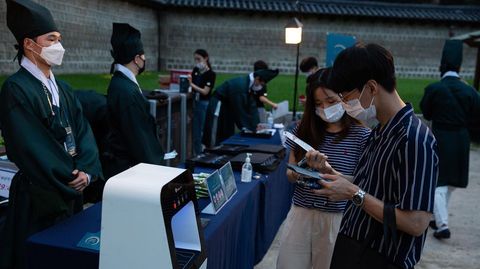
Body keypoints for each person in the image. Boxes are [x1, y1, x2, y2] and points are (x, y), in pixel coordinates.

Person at [306, 43, 438, 269]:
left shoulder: (415, 139)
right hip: (352, 246)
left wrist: (353, 193)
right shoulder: (379, 130)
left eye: (346, 97)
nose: (346, 106)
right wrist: (333, 175)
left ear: (371, 87)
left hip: (379, 257)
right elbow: (371, 187)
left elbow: (416, 222)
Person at [0, 1, 103, 268]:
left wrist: (87, 170)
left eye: (59, 39)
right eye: (52, 39)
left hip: (72, 189)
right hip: (39, 194)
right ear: (29, 44)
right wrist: (68, 177)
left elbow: (83, 131)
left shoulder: (64, 88)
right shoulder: (16, 89)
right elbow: (31, 146)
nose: (59, 46)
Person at [277, 68, 370, 269]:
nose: (325, 108)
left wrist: (328, 171)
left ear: (344, 97)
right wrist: (303, 167)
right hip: (301, 213)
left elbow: (362, 185)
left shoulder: (362, 136)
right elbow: (290, 174)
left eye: (331, 101)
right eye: (318, 104)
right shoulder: (302, 130)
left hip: (337, 219)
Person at [420, 40, 480, 239]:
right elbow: (476, 117)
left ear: (441, 66)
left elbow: (426, 114)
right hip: (462, 139)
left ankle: (442, 223)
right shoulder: (470, 91)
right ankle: (439, 219)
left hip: (441, 137)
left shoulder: (434, 88)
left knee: (438, 182)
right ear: (460, 67)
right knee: (449, 183)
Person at [102, 23, 164, 179]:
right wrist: (157, 170)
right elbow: (138, 138)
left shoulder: (123, 84)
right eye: (143, 55)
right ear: (136, 59)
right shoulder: (125, 91)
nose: (144, 59)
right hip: (128, 170)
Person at [203, 68, 279, 146]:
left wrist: (257, 124)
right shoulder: (241, 86)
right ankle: (211, 151)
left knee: (226, 132)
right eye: (262, 84)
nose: (261, 87)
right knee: (215, 133)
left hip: (227, 107)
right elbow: (240, 111)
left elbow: (252, 106)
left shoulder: (249, 85)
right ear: (257, 79)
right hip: (218, 105)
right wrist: (252, 128)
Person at [188, 49, 216, 156]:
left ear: (206, 58)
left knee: (202, 130)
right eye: (195, 59)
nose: (197, 62)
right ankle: (197, 153)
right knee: (196, 132)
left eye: (199, 59)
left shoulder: (211, 74)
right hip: (195, 102)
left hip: (204, 104)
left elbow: (205, 91)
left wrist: (191, 84)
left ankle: (203, 153)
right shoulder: (196, 70)